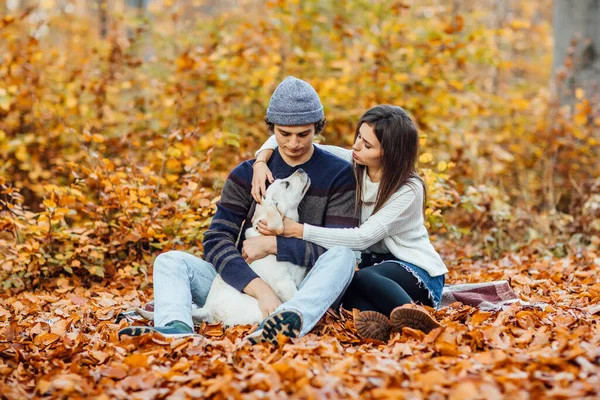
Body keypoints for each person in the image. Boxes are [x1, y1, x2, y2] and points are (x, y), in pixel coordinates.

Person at [118, 76, 359, 344]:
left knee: (345, 256)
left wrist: (274, 245)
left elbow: (337, 246)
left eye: (303, 134)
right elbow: (216, 240)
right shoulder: (246, 174)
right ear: (271, 129)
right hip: (240, 285)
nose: (293, 144)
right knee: (169, 261)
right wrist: (260, 289)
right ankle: (175, 327)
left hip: (304, 286)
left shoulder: (339, 175)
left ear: (317, 127)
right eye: (284, 134)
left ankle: (289, 320)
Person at [252, 105, 448, 342]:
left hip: (415, 271)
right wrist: (260, 162)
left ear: (389, 152)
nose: (355, 147)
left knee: (360, 279)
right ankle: (389, 324)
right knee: (344, 295)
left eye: (367, 145)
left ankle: (420, 321)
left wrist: (300, 231)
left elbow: (362, 237)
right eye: (358, 137)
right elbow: (300, 145)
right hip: (375, 267)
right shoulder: (356, 164)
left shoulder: (408, 190)